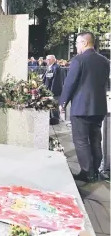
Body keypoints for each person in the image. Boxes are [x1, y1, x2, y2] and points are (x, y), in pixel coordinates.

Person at [60, 32, 110, 183]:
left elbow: (70, 84)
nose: (76, 47)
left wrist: (62, 103)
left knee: (81, 141)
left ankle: (87, 173)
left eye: (77, 43)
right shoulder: (104, 61)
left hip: (82, 108)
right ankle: (95, 169)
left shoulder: (79, 60)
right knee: (95, 139)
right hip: (99, 107)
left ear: (85, 43)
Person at [42, 54, 64, 125]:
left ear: (54, 60)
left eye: (49, 59)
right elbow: (45, 78)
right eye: (47, 59)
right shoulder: (49, 67)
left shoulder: (56, 67)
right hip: (48, 90)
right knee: (50, 105)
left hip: (54, 91)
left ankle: (55, 119)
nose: (47, 61)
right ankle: (52, 118)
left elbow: (56, 81)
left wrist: (52, 91)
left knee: (54, 105)